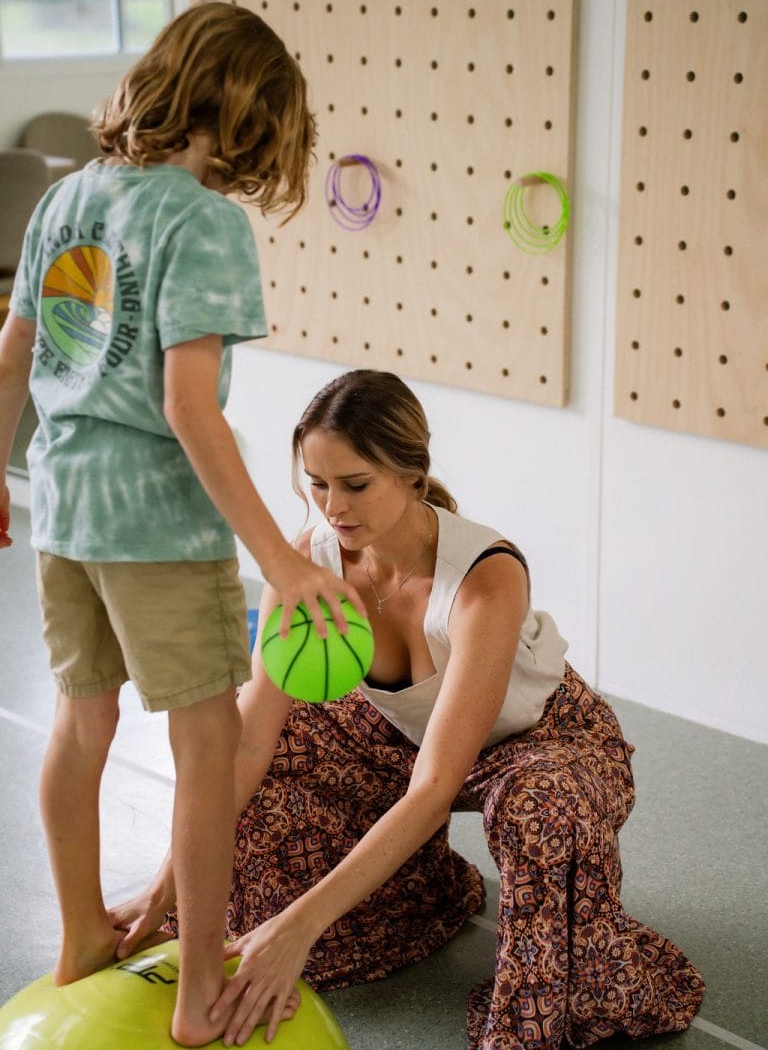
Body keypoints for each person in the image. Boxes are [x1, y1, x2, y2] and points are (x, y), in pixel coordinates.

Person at [110, 369, 705, 1049]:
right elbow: (245, 745)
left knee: (541, 811)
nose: (333, 506)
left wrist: (300, 926)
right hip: (397, 736)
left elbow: (433, 787)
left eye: (355, 484)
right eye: (317, 483)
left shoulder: (487, 574)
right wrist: (168, 890)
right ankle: (424, 898)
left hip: (540, 742)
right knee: (265, 740)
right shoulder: (310, 563)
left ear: (413, 476)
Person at [0, 2, 364, 1048]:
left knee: (81, 724)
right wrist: (282, 563)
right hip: (156, 526)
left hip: (63, 507)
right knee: (207, 748)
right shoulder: (201, 222)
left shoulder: (67, 194)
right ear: (252, 116)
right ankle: (200, 993)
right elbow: (188, 407)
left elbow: (14, 353)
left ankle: (79, 940)